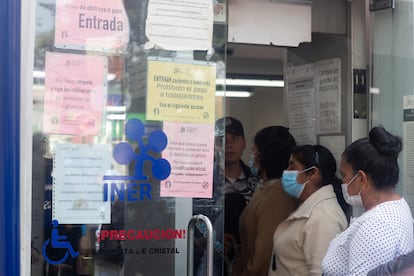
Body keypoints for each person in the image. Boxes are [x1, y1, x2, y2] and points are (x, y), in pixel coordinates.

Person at [322, 126, 414, 275]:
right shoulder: (397, 205)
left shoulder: (376, 226)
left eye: (344, 175)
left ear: (361, 179)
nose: (343, 182)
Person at [269, 145, 349, 276]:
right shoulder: (311, 208)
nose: (286, 171)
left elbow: (320, 272)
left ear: (313, 174)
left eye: (292, 167)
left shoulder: (324, 217)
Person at [232, 126, 298, 276]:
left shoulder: (278, 194)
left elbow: (263, 258)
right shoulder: (265, 187)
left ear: (263, 156)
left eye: (254, 151)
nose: (252, 157)